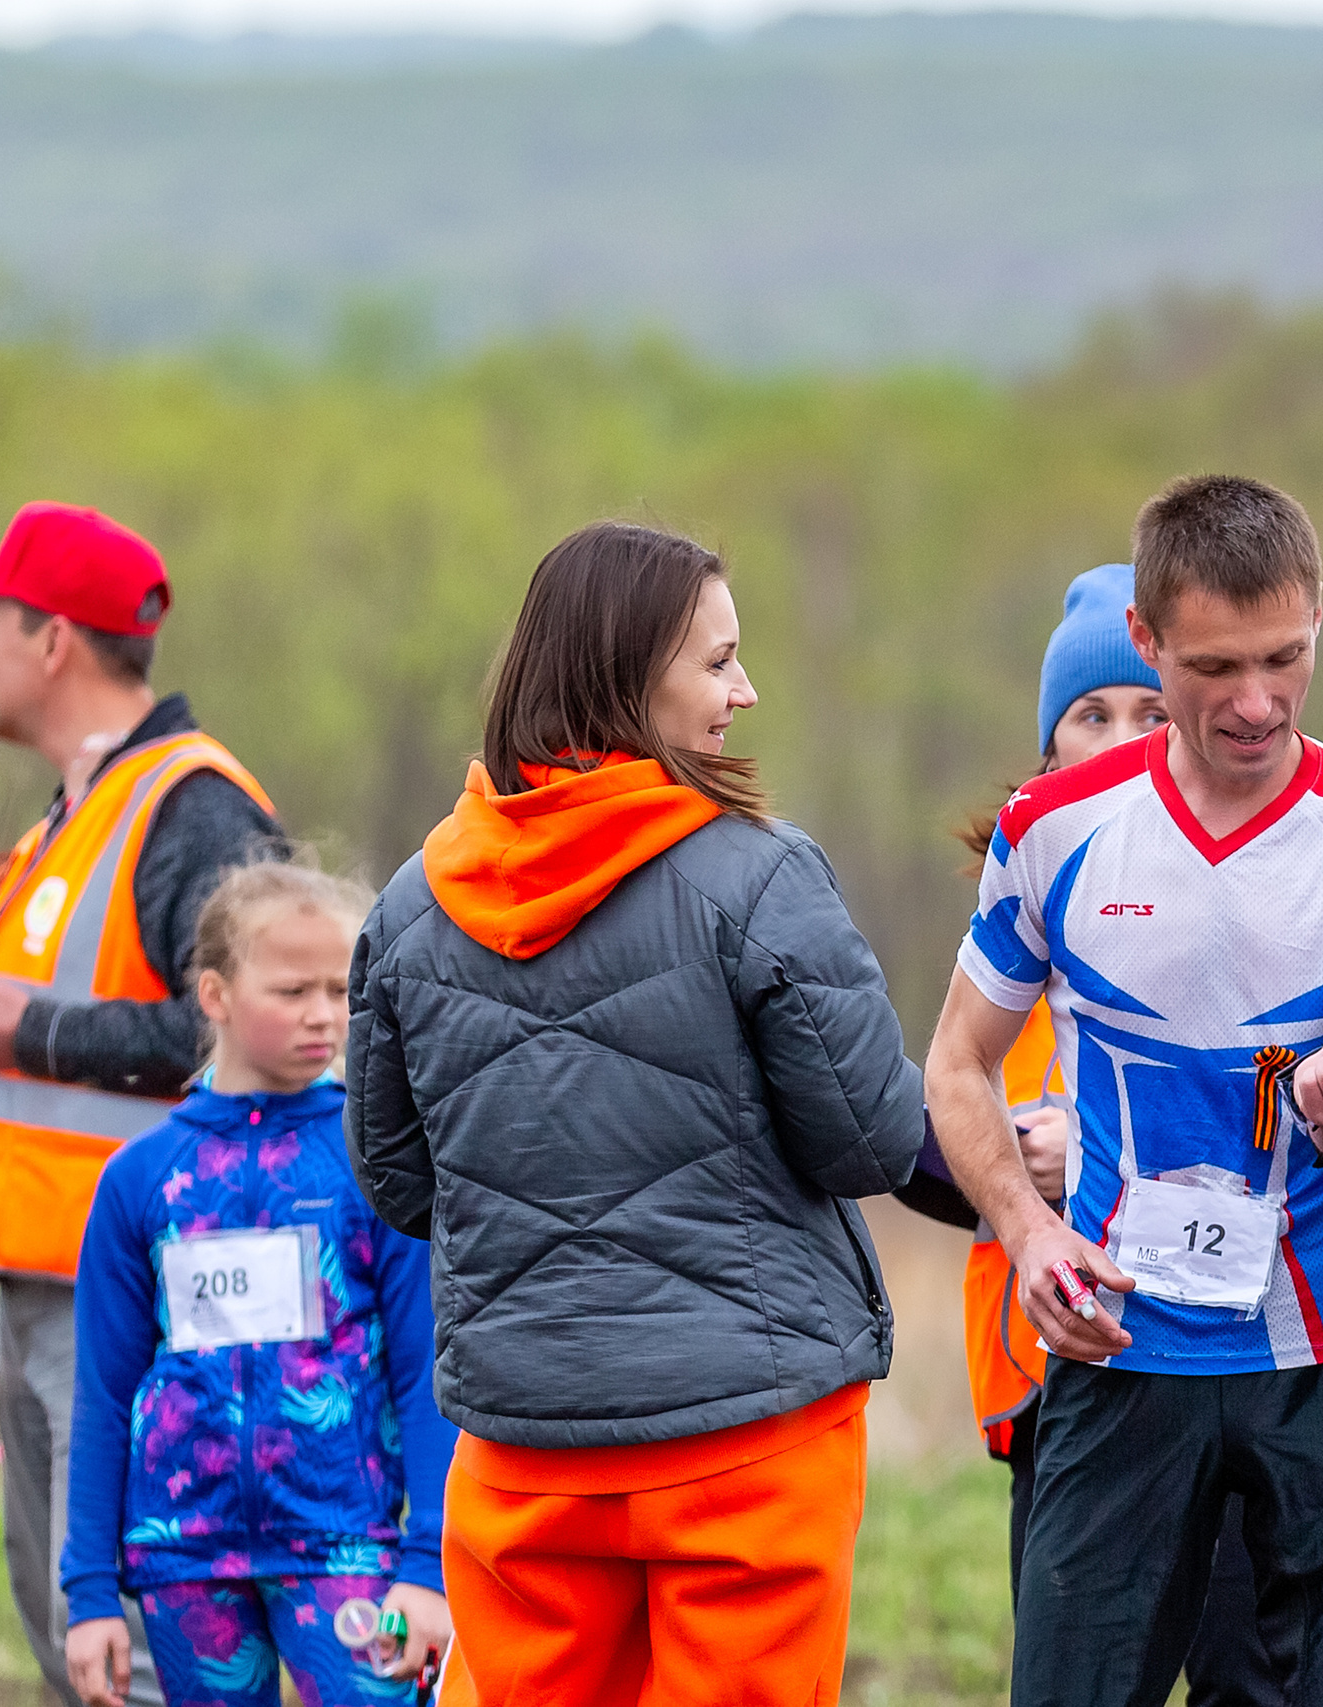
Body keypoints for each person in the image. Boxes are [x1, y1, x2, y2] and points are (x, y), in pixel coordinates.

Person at [345, 520, 925, 1707]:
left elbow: (400, 1185)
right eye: (716, 663)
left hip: (520, 1452)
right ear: (625, 672)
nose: (744, 691)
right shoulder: (761, 874)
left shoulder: (411, 905)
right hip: (748, 1444)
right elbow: (870, 1140)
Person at [926, 474, 1323, 1707]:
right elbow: (954, 1064)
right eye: (1217, 668)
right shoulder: (1049, 830)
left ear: (1319, 621)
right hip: (1122, 1348)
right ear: (1149, 644)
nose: (1258, 703)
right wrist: (1028, 1232)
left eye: (1287, 658)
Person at [894, 561, 1292, 1703]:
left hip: (1234, 1356)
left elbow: (1293, 1109)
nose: (1122, 735)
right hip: (1054, 1379)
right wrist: (1011, 1164)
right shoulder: (1015, 913)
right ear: (1048, 746)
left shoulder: (1276, 888)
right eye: (1091, 715)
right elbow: (925, 1121)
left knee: (1245, 1672)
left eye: (1149, 712)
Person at [0, 502, 281, 1707]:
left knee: (133, 1660)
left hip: (134, 1305)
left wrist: (30, 1028)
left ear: (54, 639)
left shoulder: (193, 805)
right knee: (76, 1653)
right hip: (44, 1283)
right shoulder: (78, 811)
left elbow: (244, 1029)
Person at [61, 858, 457, 1707]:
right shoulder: (142, 1178)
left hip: (350, 1551)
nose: (324, 1014)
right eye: (292, 990)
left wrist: (430, 1562)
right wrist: (90, 1589)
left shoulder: (375, 1160)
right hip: (184, 1557)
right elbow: (102, 1388)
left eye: (337, 988)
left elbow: (428, 1369)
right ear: (213, 996)